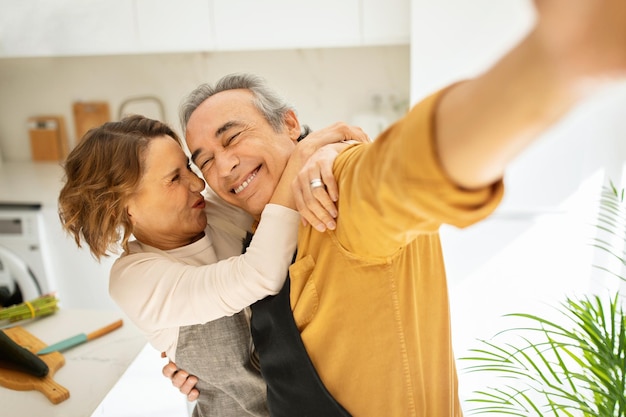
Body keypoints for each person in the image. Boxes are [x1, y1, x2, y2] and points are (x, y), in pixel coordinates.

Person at [167, 1, 626, 415]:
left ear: (289, 124)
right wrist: (210, 373)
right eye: (204, 160)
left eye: (233, 137)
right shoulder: (252, 237)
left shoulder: (334, 188)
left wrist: (554, 61)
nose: (223, 166)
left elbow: (414, 166)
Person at [57, 115, 367, 417]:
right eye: (174, 178)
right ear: (124, 207)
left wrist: (327, 152)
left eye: (188, 167)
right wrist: (305, 154)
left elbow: (285, 180)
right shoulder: (133, 279)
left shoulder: (216, 212)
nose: (197, 183)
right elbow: (258, 275)